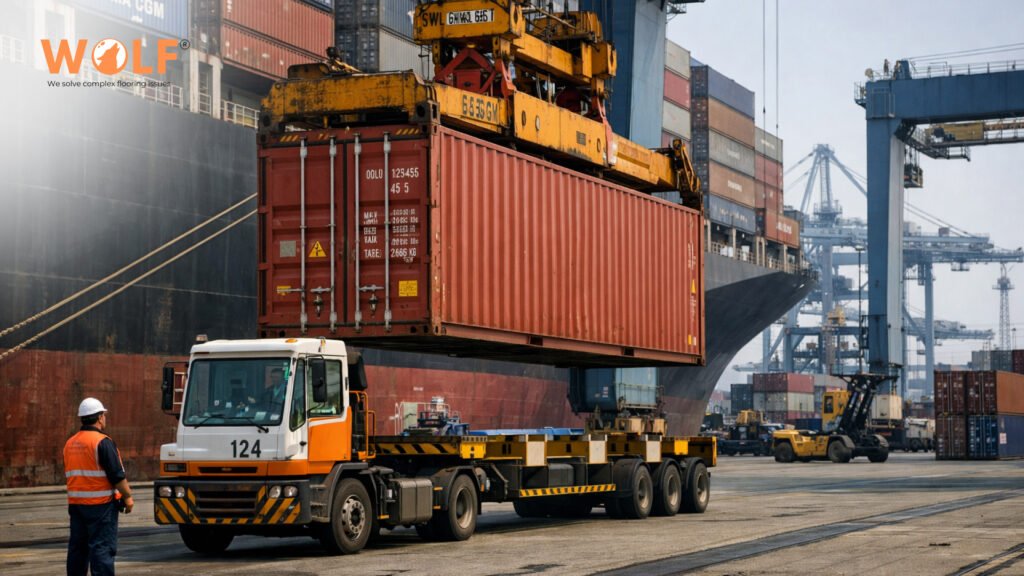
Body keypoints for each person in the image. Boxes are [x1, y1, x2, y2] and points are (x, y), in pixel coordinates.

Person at [64, 397, 133, 576]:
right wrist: (127, 496)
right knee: (101, 548)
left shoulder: (70, 443)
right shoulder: (102, 441)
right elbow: (117, 475)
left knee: (77, 549)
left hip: (77, 505)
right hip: (100, 506)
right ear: (100, 417)